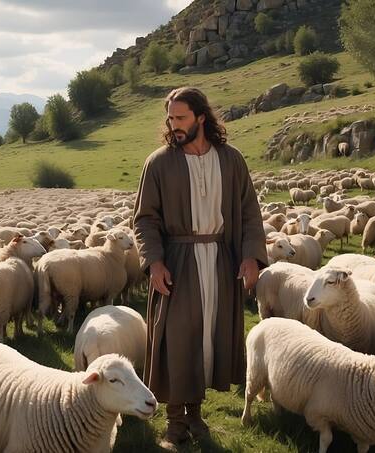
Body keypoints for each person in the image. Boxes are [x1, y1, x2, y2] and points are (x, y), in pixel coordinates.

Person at [132, 87, 267, 450]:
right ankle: (175, 421)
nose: (174, 125)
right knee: (178, 338)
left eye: (181, 118)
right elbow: (144, 220)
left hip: (221, 260)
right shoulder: (159, 162)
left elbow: (250, 212)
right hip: (178, 261)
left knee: (208, 338)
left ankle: (196, 414)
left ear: (201, 118)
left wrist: (251, 256)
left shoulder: (231, 159)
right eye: (170, 119)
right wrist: (154, 262)